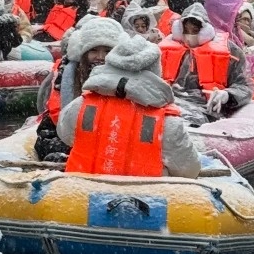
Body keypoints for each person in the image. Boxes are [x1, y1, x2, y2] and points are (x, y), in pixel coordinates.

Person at [57, 34, 202, 177]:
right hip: (145, 197)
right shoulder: (167, 122)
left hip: (83, 194)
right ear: (155, 70)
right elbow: (189, 170)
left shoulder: (80, 106)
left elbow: (65, 135)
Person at [33, 17, 123, 160]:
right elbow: (46, 134)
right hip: (75, 148)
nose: (101, 57)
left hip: (113, 147)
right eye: (93, 50)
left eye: (107, 50)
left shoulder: (128, 84)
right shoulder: (66, 81)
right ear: (83, 53)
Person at [159, 2, 253, 119]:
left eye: (195, 30)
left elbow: (245, 86)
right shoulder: (162, 50)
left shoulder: (231, 52)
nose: (189, 35)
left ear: (205, 30)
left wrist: (228, 95)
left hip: (208, 110)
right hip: (169, 105)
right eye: (186, 30)